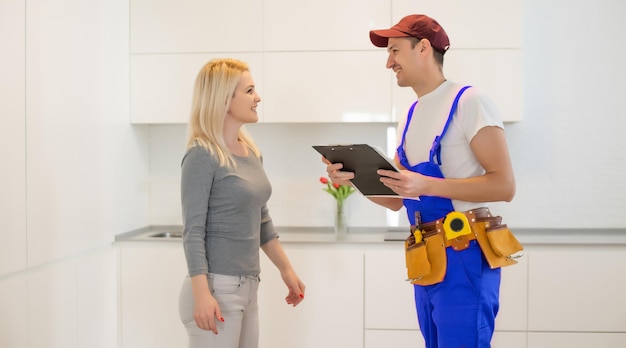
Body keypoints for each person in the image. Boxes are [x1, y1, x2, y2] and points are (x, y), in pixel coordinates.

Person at [324, 14, 516, 348]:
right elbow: (398, 197)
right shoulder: (409, 116)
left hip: (464, 252)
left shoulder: (469, 102)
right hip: (426, 257)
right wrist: (351, 179)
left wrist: (426, 185)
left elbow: (504, 186)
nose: (388, 62)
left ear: (423, 48)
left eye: (395, 51)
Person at [178, 58, 305, 348]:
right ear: (224, 99)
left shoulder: (250, 152)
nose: (257, 97)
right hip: (215, 288)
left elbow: (261, 219)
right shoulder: (202, 154)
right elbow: (193, 231)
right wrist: (202, 295)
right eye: (249, 91)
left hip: (248, 286)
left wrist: (286, 269)